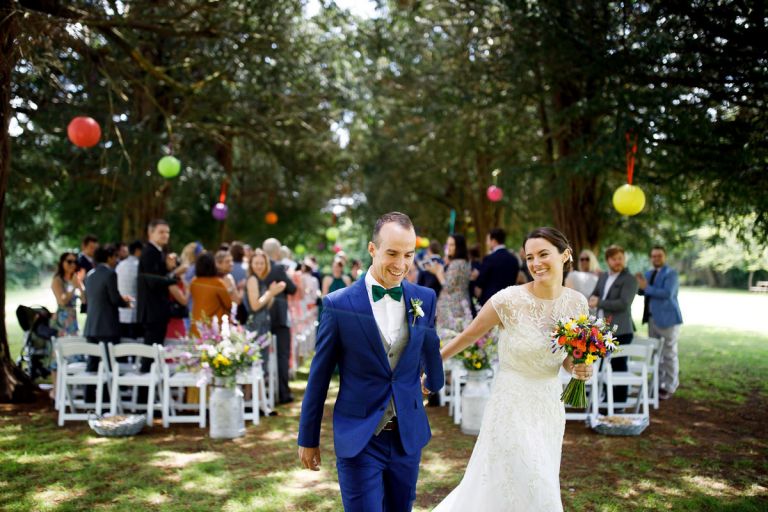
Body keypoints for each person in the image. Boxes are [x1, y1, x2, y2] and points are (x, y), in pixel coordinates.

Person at [434, 227, 592, 512]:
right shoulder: (508, 300)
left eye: (543, 254)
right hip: (511, 405)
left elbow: (570, 360)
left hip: (548, 406)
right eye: (530, 257)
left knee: (539, 477)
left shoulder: (577, 303)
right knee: (526, 477)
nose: (536, 263)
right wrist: (433, 366)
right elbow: (468, 336)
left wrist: (581, 366)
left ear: (565, 255)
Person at [298, 212, 444, 512]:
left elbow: (429, 350)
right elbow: (319, 377)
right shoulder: (338, 305)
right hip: (359, 437)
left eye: (408, 255)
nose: (401, 264)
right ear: (372, 249)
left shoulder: (424, 299)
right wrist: (308, 438)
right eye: (392, 253)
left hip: (407, 438)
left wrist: (431, 382)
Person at [589, 245, 638, 405]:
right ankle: (604, 399)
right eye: (614, 259)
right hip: (602, 329)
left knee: (618, 366)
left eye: (621, 258)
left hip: (621, 330)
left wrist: (600, 302)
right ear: (607, 260)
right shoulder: (603, 277)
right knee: (602, 366)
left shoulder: (630, 279)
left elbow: (624, 303)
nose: (618, 262)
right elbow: (595, 293)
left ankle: (619, 403)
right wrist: (592, 299)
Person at [83, 245, 131, 401]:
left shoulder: (90, 275)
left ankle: (89, 397)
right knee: (109, 363)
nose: (116, 260)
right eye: (115, 257)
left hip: (91, 325)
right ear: (109, 257)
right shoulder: (110, 274)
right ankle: (106, 397)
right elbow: (114, 298)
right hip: (107, 325)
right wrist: (125, 303)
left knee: (92, 362)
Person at [636, 246, 683, 400]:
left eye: (659, 255)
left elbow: (667, 293)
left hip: (668, 319)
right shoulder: (649, 273)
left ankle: (670, 385)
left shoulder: (671, 274)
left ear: (665, 256)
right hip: (651, 319)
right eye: (653, 256)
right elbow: (643, 291)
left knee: (669, 353)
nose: (656, 258)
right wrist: (638, 284)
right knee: (656, 352)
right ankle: (657, 383)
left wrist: (646, 287)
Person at [136, 220, 177, 373]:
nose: (165, 235)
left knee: (155, 354)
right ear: (150, 233)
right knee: (150, 355)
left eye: (167, 232)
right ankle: (145, 394)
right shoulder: (150, 252)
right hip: (153, 311)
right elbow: (152, 281)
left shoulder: (159, 252)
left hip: (157, 312)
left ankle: (150, 392)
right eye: (161, 232)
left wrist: (168, 269)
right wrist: (173, 275)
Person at [262, 238, 297, 404]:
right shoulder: (276, 267)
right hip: (279, 318)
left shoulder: (258, 268)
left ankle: (263, 393)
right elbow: (292, 288)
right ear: (277, 252)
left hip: (261, 317)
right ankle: (283, 393)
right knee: (282, 355)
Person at [427, 234, 473, 337]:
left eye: (452, 245)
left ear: (459, 246)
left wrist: (437, 272)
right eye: (448, 245)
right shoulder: (465, 262)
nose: (449, 248)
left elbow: (448, 286)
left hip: (452, 308)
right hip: (460, 305)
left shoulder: (457, 263)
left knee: (449, 339)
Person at [244, 249, 285, 339]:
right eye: (256, 263)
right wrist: (270, 292)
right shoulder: (252, 280)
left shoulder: (260, 280)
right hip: (255, 327)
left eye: (262, 263)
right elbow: (255, 306)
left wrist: (272, 292)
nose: (259, 266)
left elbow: (266, 306)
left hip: (263, 325)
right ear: (251, 264)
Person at [189, 252, 232, 337]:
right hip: (212, 329)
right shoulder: (218, 283)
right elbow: (228, 304)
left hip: (195, 326)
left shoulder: (194, 282)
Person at [473, 227, 520, 305]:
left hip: (491, 300)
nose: (486, 243)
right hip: (508, 300)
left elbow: (481, 280)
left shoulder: (490, 258)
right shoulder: (513, 259)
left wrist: (476, 279)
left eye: (488, 240)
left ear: (494, 241)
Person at [51, 252, 83, 337]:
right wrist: (73, 286)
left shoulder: (74, 278)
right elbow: (62, 301)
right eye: (69, 261)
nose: (72, 264)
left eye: (75, 262)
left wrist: (80, 285)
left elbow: (84, 299)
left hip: (73, 317)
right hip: (62, 319)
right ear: (62, 263)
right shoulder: (57, 280)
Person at [116, 240, 142, 339]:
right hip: (135, 312)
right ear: (138, 251)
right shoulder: (139, 265)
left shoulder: (120, 265)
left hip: (121, 312)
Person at [165, 252, 188, 339]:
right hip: (172, 321)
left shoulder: (179, 281)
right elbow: (184, 300)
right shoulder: (171, 283)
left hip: (179, 320)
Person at [77, 234, 98, 313]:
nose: (94, 250)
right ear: (84, 246)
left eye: (95, 248)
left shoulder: (95, 260)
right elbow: (80, 279)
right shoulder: (80, 261)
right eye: (91, 248)